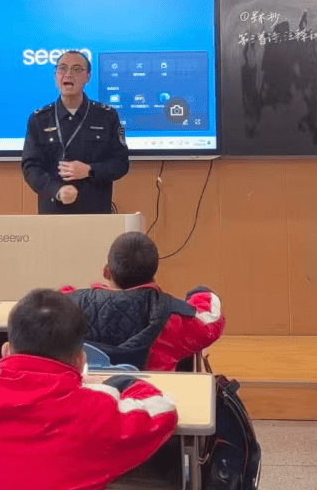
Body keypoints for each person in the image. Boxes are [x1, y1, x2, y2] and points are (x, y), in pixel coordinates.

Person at [0, 288, 177, 490]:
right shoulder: (98, 411)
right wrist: (125, 384)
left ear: (5, 351)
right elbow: (163, 410)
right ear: (80, 361)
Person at [62, 231, 224, 369]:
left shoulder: (68, 308)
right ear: (154, 273)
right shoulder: (172, 316)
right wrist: (201, 292)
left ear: (106, 271)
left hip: (89, 394)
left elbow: (55, 300)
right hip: (153, 395)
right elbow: (211, 319)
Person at [21, 50, 130, 214]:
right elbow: (31, 168)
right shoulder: (39, 119)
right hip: (52, 212)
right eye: (62, 68)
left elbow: (120, 163)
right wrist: (56, 190)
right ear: (55, 75)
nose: (68, 74)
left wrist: (89, 170)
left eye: (77, 69)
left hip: (96, 212)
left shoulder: (107, 116)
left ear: (88, 77)